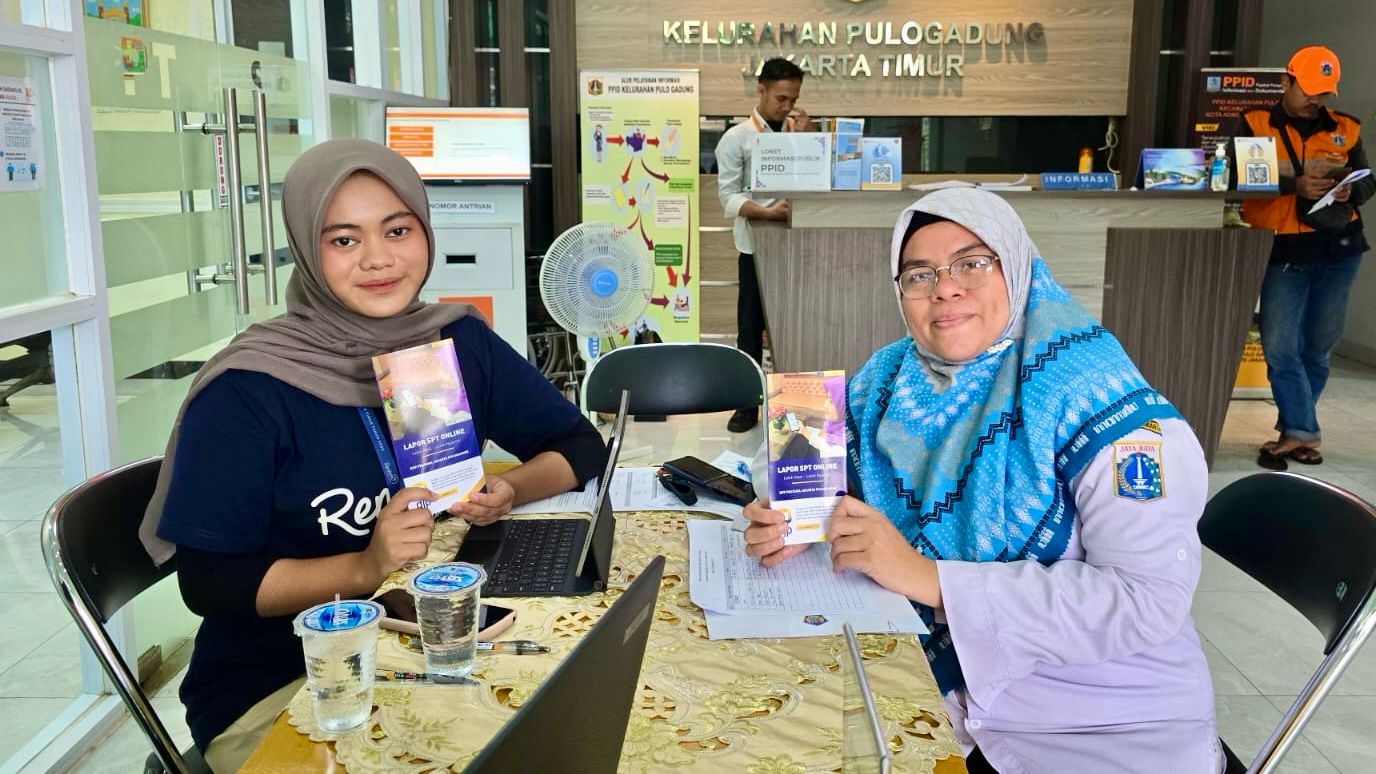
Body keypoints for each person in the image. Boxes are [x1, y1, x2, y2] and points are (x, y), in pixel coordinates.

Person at [137, 139, 606, 772]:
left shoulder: (452, 340)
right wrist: (365, 566)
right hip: (289, 683)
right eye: (344, 240)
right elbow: (211, 583)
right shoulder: (250, 388)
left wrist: (511, 489)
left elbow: (578, 445)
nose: (379, 258)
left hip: (433, 645)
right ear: (307, 249)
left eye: (397, 229)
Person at [743, 189, 1221, 773]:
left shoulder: (1103, 403)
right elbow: (811, 462)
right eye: (920, 274)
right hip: (932, 687)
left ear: (1017, 268)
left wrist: (928, 577)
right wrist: (797, 513)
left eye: (972, 263)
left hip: (1094, 720)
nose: (945, 288)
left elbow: (1145, 600)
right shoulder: (891, 374)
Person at [1231, 46, 1374, 470]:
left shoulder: (1345, 128)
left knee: (1318, 347)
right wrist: (1294, 185)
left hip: (1341, 249)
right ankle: (1302, 431)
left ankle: (1296, 431)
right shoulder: (1255, 123)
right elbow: (1239, 176)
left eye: (1323, 92)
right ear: (1286, 82)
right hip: (1284, 250)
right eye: (1308, 89)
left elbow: (1368, 182)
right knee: (1280, 346)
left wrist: (1349, 190)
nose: (1315, 99)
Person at [714, 57, 811, 433]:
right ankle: (746, 406)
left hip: (798, 248)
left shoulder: (800, 134)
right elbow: (728, 197)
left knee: (796, 326)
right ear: (761, 90)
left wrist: (808, 139)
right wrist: (767, 214)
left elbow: (817, 181)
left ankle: (796, 414)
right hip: (755, 248)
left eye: (793, 99)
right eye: (781, 98)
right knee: (750, 329)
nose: (787, 107)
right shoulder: (735, 138)